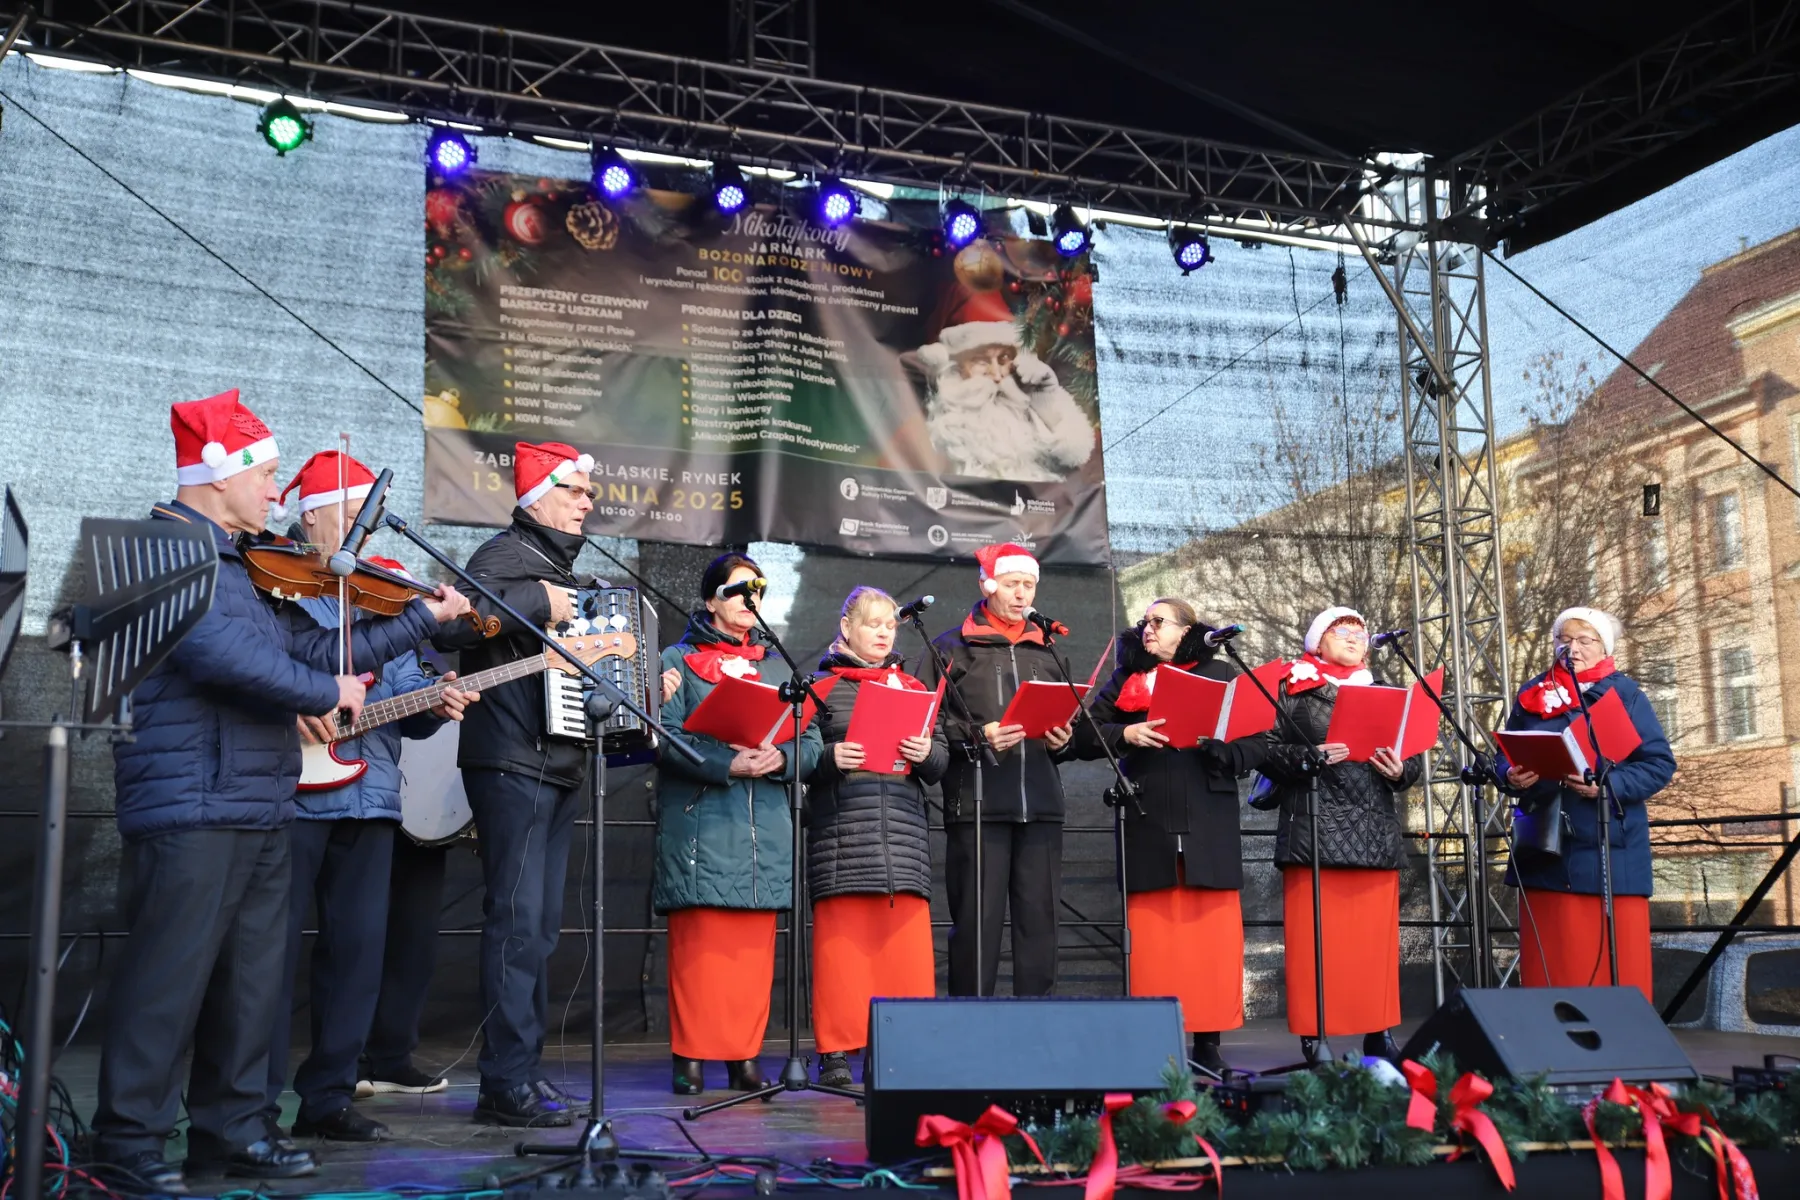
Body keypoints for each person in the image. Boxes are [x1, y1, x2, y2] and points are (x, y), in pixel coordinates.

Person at [94, 391, 464, 1190]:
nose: (274, 490)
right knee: (169, 981)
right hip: (192, 803)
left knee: (250, 986)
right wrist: (326, 691)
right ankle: (126, 1141)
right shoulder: (163, 546)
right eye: (263, 474)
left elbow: (320, 647)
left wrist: (421, 622)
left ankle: (233, 1131)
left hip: (258, 802)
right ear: (218, 475)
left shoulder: (244, 565)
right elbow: (218, 653)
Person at [262, 451, 478, 1142]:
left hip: (373, 794)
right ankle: (250, 1104)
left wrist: (433, 703)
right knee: (265, 956)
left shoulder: (383, 594)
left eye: (367, 516)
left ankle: (328, 1096)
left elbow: (407, 702)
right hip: (293, 793)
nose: (361, 527)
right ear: (309, 517)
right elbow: (265, 672)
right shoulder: (278, 587)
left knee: (357, 955)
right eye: (348, 514)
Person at [430, 440, 601, 1127]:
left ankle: (519, 1072)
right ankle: (504, 1082)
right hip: (511, 759)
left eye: (590, 492)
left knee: (539, 930)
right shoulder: (504, 555)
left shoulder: (559, 567)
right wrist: (541, 599)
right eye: (575, 490)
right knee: (517, 925)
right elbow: (456, 626)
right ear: (537, 495)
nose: (587, 502)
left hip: (555, 762)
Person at [653, 553, 823, 1095]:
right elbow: (664, 736)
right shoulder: (676, 659)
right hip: (703, 819)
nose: (751, 599)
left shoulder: (778, 666)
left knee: (752, 953)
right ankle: (691, 1057)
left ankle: (744, 1055)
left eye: (759, 589)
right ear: (710, 601)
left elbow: (812, 742)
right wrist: (728, 762)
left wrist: (782, 758)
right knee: (701, 950)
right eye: (737, 590)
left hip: (765, 824)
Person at [1076, 599, 1256, 1073]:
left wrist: (1225, 751)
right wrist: (1127, 735)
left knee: (1210, 943)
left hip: (1207, 820)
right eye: (1144, 622)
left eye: (1159, 622)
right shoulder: (1127, 677)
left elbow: (1259, 740)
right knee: (1154, 944)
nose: (1148, 629)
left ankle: (1209, 1041)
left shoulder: (1221, 673)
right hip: (1147, 817)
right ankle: (1154, 1040)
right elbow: (1084, 734)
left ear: (1187, 630)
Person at [1257, 606, 1422, 1062]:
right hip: (1313, 826)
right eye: (1341, 629)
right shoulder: (1293, 685)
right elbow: (1262, 749)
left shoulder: (1383, 691)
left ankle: (1379, 1031)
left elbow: (1411, 759)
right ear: (1318, 641)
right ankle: (1315, 1035)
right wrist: (1307, 757)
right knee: (1316, 943)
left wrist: (1400, 769)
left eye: (1360, 632)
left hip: (1373, 830)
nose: (1354, 637)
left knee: (1373, 944)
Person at [804, 587, 947, 1087]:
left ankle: (907, 1047)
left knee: (903, 954)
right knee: (842, 954)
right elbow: (797, 756)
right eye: (873, 623)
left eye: (890, 625)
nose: (885, 633)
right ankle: (836, 1054)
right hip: (842, 836)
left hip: (903, 839)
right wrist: (830, 758)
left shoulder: (913, 687)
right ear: (847, 628)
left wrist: (926, 752)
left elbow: (940, 763)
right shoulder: (820, 687)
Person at [919, 542, 1075, 997]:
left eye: (1028, 584)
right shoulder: (950, 647)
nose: (1022, 593)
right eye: (1011, 584)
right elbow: (925, 720)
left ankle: (1037, 1022)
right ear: (987, 585)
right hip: (978, 805)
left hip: (1041, 804)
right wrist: (975, 735)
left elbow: (1073, 720)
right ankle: (971, 1024)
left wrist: (1065, 738)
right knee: (977, 926)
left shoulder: (1048, 648)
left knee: (1040, 924)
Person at [1498, 607, 1674, 1002]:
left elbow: (1659, 765)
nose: (1572, 649)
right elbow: (1503, 755)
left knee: (1613, 973)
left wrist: (1607, 786)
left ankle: (1620, 1039)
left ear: (1604, 648)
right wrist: (1509, 774)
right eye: (1564, 640)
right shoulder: (1533, 694)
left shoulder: (1625, 694)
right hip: (1544, 847)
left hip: (1608, 850)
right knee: (1552, 967)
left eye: (1584, 640)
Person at [919, 290, 1095, 481]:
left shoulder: (1026, 406)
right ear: (956, 366)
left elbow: (1075, 464)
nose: (996, 375)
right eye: (981, 361)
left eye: (1003, 358)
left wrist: (1047, 402)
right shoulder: (931, 426)